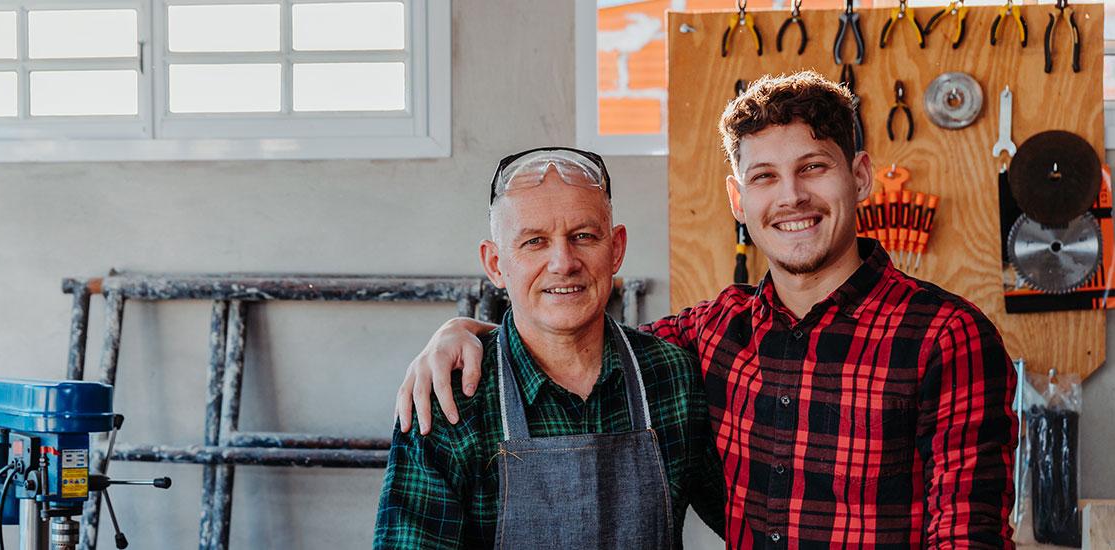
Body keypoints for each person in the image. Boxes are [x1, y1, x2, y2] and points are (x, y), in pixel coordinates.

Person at [395, 72, 1018, 548]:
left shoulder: (944, 336)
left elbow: (969, 534)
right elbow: (574, 338)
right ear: (737, 199)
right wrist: (467, 331)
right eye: (765, 177)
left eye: (813, 168)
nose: (791, 196)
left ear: (860, 176)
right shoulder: (713, 335)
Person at [374, 147, 726, 549]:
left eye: (583, 236)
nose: (563, 262)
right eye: (534, 242)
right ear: (495, 264)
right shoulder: (448, 400)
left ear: (616, 249)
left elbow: (755, 524)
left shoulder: (673, 377)